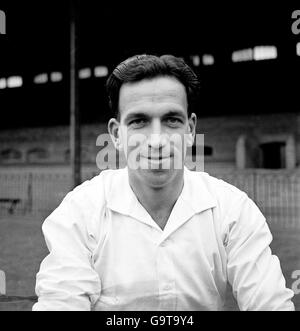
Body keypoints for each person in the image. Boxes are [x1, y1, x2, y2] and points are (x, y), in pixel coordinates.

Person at [33, 54, 295, 311]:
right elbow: (61, 299)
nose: (157, 140)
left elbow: (269, 303)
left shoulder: (233, 210)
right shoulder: (80, 211)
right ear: (116, 134)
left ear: (190, 129)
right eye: (139, 121)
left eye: (171, 120)